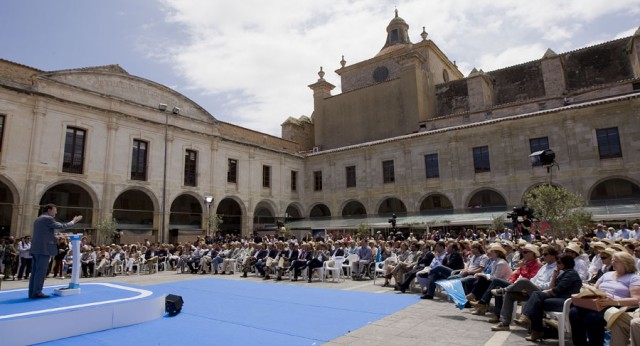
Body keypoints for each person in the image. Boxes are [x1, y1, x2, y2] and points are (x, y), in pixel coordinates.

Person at [569, 252, 640, 346]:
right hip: (597, 301)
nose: (612, 263)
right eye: (612, 260)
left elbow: (636, 299)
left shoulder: (633, 278)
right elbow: (595, 288)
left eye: (616, 261)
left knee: (592, 317)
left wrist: (614, 301)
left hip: (615, 305)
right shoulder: (607, 274)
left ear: (625, 263)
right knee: (573, 312)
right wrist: (589, 291)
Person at [514, 254, 582, 342]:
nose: (557, 264)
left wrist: (545, 292)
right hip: (558, 298)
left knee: (537, 297)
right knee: (537, 301)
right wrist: (554, 276)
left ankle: (530, 322)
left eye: (559, 262)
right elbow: (551, 287)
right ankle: (535, 330)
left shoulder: (571, 274)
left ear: (565, 264)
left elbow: (557, 290)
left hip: (565, 301)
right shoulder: (563, 273)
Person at [29, 203, 82, 299]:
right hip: (43, 249)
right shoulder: (47, 218)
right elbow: (62, 226)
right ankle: (37, 292)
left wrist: (56, 237)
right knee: (40, 272)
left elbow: (44, 234)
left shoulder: (39, 218)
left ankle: (32, 292)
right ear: (49, 210)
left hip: (37, 248)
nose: (56, 212)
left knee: (35, 272)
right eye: (55, 210)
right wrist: (73, 221)